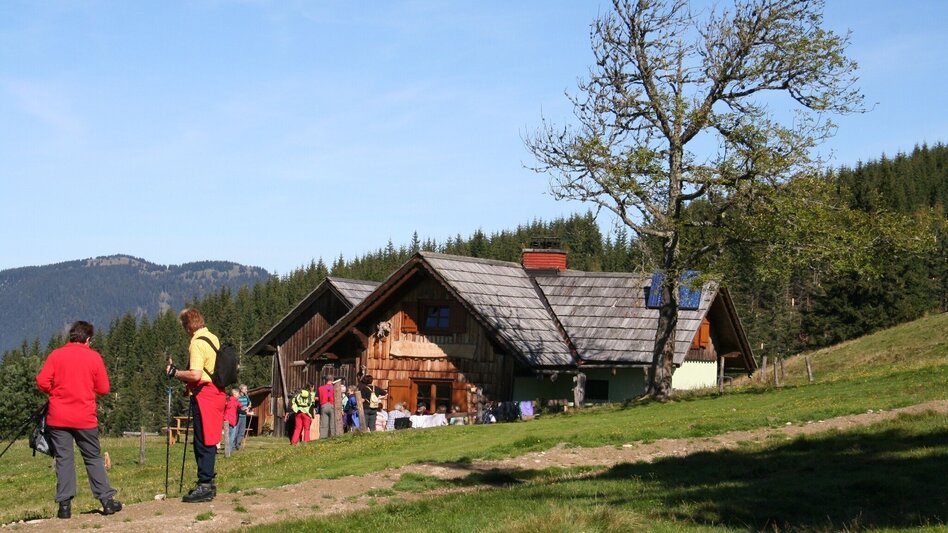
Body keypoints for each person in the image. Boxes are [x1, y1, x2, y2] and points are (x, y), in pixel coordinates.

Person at [36, 321, 122, 519]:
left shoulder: (56, 355)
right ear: (88, 339)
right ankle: (107, 501)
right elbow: (104, 389)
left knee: (64, 459)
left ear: (72, 336)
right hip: (85, 417)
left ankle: (64, 507)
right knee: (92, 457)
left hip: (58, 417)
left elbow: (41, 381)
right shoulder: (93, 357)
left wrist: (55, 392)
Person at [167, 308, 226, 503]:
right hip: (217, 393)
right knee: (210, 437)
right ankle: (208, 481)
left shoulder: (197, 344)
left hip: (205, 395)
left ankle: (205, 484)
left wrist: (175, 373)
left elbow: (196, 374)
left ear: (187, 325)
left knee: (202, 440)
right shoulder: (212, 338)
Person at [233, 384, 251, 451]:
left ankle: (238, 445)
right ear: (241, 389)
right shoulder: (237, 397)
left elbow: (249, 403)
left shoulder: (246, 396)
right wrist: (243, 408)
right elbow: (236, 406)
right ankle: (233, 445)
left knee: (242, 431)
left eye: (246, 389)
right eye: (245, 389)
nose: (246, 390)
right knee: (236, 431)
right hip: (238, 416)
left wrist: (249, 406)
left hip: (244, 416)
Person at [222, 389, 240, 456]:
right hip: (232, 420)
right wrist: (246, 409)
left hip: (226, 419)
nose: (238, 395)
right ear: (235, 394)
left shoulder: (228, 400)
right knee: (231, 436)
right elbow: (241, 407)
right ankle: (228, 452)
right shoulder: (235, 401)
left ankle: (227, 451)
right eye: (238, 394)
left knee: (227, 436)